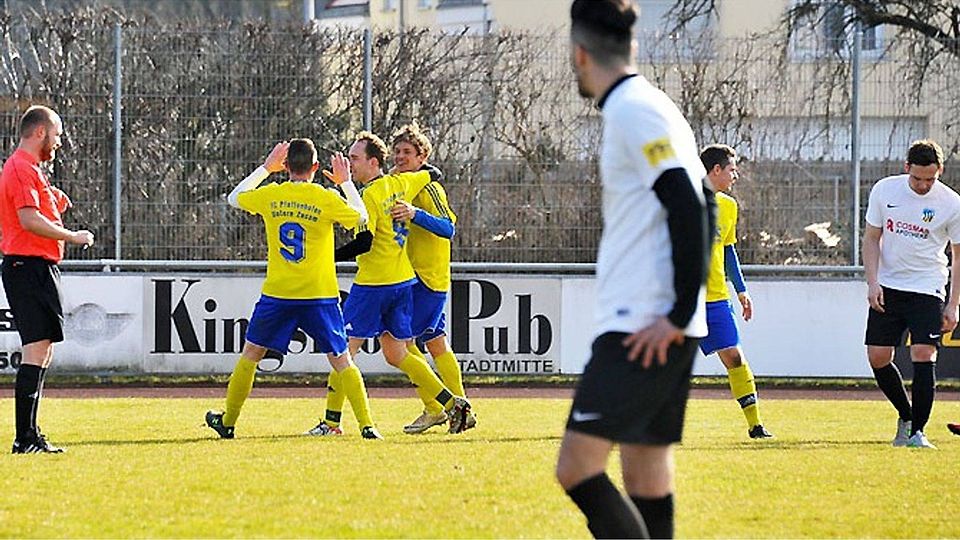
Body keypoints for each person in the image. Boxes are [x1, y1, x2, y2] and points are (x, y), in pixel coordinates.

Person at [555, 1, 712, 538]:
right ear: (632, 47)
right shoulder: (646, 105)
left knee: (577, 467)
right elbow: (700, 202)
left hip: (642, 324)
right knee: (645, 473)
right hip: (658, 320)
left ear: (579, 53)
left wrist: (677, 312)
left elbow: (689, 206)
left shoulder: (633, 109)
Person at [205, 138, 382, 440]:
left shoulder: (273, 194)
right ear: (315, 167)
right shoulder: (323, 197)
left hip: (279, 293)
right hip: (319, 294)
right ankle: (367, 426)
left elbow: (235, 198)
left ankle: (229, 422)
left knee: (251, 355)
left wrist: (265, 168)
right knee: (341, 360)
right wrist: (345, 183)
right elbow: (361, 217)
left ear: (285, 166)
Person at [309, 131, 472, 437]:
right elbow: (426, 175)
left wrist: (324, 257)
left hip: (377, 285)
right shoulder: (399, 183)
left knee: (342, 351)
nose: (350, 163)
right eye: (397, 152)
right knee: (398, 353)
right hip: (402, 282)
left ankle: (332, 423)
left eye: (354, 158)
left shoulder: (371, 195)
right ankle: (452, 404)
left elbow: (365, 241)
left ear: (373, 162)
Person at [1, 105, 94, 454]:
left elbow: (33, 210)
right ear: (40, 132)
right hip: (28, 267)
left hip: (34, 267)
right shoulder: (22, 168)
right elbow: (27, 220)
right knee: (37, 349)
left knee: (42, 350)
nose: (58, 141)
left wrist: (53, 200)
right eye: (56, 134)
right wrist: (72, 236)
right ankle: (24, 438)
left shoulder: (30, 171)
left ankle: (29, 435)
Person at [863, 138, 960, 450]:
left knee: (923, 353)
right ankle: (906, 416)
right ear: (907, 168)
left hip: (928, 286)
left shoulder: (951, 203)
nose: (922, 185)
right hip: (889, 286)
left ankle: (918, 432)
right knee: (878, 357)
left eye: (930, 179)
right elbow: (871, 238)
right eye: (917, 178)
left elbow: (959, 257)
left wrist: (954, 304)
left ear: (940, 171)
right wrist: (873, 283)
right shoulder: (884, 190)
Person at [386, 122, 476, 434]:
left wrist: (414, 214)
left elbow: (448, 229)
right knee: (436, 344)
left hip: (426, 278)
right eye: (396, 151)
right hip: (412, 278)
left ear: (422, 157)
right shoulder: (400, 186)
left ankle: (435, 407)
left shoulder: (429, 188)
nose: (400, 157)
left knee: (401, 343)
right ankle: (461, 408)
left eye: (407, 152)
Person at [698, 144, 773, 439]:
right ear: (716, 170)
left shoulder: (728, 206)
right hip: (679, 300)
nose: (735, 175)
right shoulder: (680, 200)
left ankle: (755, 425)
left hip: (715, 298)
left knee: (734, 357)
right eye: (731, 169)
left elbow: (728, 250)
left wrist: (741, 290)